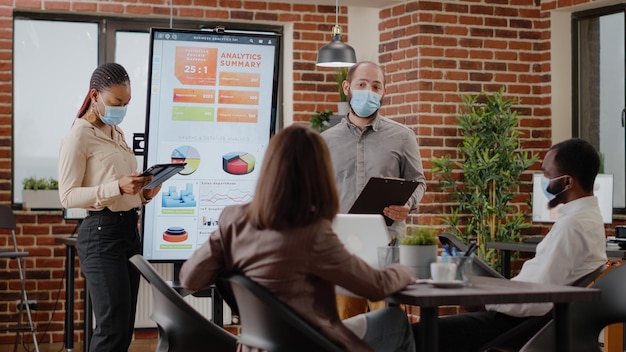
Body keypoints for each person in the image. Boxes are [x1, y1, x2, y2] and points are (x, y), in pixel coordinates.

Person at [179, 124, 416, 352]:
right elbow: (377, 287)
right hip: (309, 344)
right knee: (395, 320)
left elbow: (190, 278)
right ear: (319, 175)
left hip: (257, 344)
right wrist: (405, 270)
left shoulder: (233, 219)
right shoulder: (312, 232)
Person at [411, 138, 608, 352]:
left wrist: (488, 302)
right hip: (527, 319)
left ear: (567, 182)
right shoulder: (588, 217)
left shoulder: (572, 226)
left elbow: (539, 298)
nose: (544, 180)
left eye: (548, 175)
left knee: (416, 334)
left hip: (520, 324)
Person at [58, 63, 161, 352]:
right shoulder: (78, 136)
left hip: (128, 233)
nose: (122, 108)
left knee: (124, 329)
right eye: (117, 102)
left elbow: (124, 190)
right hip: (101, 234)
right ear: (95, 96)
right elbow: (67, 196)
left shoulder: (117, 133)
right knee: (111, 329)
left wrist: (144, 194)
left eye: (127, 103)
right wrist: (116, 187)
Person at [321, 61, 427, 319]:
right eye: (362, 84)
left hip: (387, 244)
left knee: (391, 323)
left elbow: (419, 181)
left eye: (376, 86)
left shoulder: (403, 137)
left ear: (383, 92)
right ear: (347, 87)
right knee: (344, 327)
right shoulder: (325, 141)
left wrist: (408, 205)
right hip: (342, 248)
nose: (369, 90)